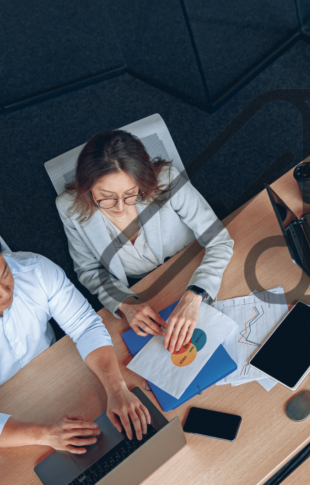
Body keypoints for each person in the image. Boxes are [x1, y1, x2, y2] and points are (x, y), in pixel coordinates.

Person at [0, 225, 151, 452]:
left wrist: (117, 389)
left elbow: (85, 325)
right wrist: (44, 434)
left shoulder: (35, 270)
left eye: (4, 273)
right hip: (2, 406)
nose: (5, 292)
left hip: (60, 368)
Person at [55, 130, 234, 354]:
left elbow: (219, 240)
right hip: (144, 290)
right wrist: (124, 303)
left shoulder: (166, 180)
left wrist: (195, 294)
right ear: (87, 186)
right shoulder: (69, 207)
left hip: (196, 266)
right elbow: (89, 269)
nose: (121, 208)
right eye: (107, 197)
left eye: (131, 194)